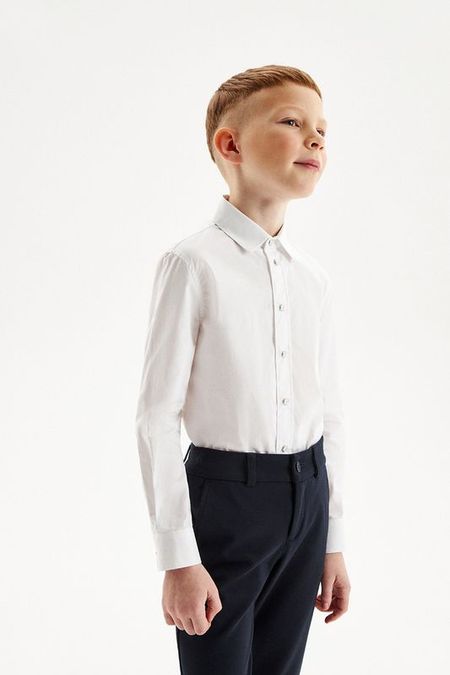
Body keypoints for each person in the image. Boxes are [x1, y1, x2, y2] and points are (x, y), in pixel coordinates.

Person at [135, 63, 351, 674]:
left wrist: (331, 540)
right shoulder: (192, 264)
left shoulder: (312, 279)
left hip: (308, 495)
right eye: (292, 122)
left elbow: (330, 414)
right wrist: (178, 558)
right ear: (230, 145)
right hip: (226, 502)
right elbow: (156, 418)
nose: (315, 139)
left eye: (322, 130)